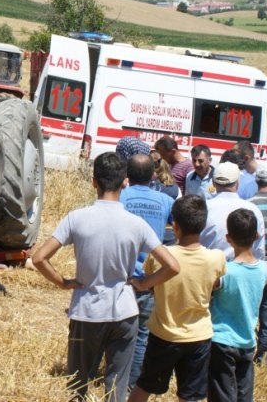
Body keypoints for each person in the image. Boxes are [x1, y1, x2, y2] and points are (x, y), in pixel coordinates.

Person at [31, 152, 179, 402]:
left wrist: (62, 282)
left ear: (93, 182)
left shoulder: (76, 218)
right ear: (124, 182)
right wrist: (144, 283)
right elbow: (172, 266)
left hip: (86, 311)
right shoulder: (136, 224)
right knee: (116, 386)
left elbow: (38, 258)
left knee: (78, 383)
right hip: (124, 311)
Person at [128, 195, 226, 402]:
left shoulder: (160, 256)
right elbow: (214, 286)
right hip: (199, 336)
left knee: (144, 385)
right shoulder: (216, 258)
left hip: (164, 333)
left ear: (176, 225)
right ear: (203, 224)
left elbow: (152, 287)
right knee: (189, 395)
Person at [120, 154, 175, 389]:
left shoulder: (118, 197)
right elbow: (175, 233)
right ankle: (133, 383)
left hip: (121, 278)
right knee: (142, 335)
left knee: (116, 334)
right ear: (153, 174)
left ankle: (115, 381)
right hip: (150, 279)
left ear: (127, 176)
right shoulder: (165, 201)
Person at [208, 209, 267, 402]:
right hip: (248, 340)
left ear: (228, 238)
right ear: (257, 235)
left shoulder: (225, 271)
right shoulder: (264, 270)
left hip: (222, 340)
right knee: (244, 395)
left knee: (222, 395)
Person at [199, 161, 265, 261]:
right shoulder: (252, 209)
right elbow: (259, 250)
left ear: (213, 183)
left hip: (210, 270)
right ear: (237, 183)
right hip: (243, 271)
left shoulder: (204, 208)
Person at [249, 160, 267, 364]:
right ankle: (263, 362)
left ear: (257, 180)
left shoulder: (249, 205)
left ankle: (244, 355)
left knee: (249, 315)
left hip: (253, 268)